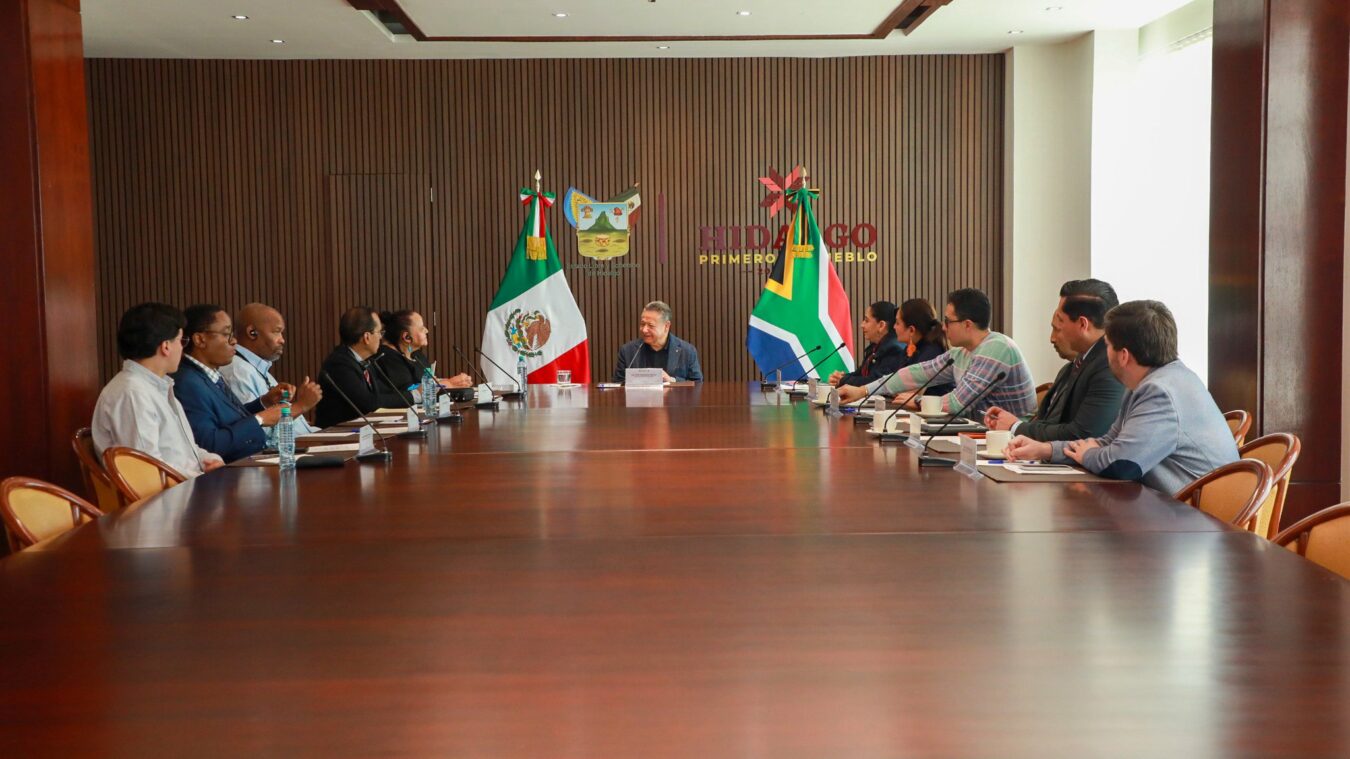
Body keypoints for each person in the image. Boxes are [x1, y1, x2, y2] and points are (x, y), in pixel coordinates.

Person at [1004, 300, 1239, 495]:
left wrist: (1089, 455)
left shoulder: (1161, 393)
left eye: (1107, 345)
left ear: (1123, 355)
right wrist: (1044, 450)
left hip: (1195, 525)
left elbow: (1122, 464)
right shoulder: (1152, 382)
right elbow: (1107, 443)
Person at [838, 288, 1036, 418]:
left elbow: (957, 403)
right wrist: (862, 391)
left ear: (967, 324)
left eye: (948, 320)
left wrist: (915, 401)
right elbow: (915, 373)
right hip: (982, 434)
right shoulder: (961, 352)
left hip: (1013, 441)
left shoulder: (996, 348)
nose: (943, 326)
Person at [91, 303, 224, 477]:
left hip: (184, 489)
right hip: (166, 500)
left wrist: (208, 460)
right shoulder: (132, 392)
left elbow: (186, 451)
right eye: (181, 340)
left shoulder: (157, 386)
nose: (182, 349)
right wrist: (200, 478)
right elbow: (147, 470)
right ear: (166, 346)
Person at [983, 279, 1124, 442]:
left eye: (1059, 326)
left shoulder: (1109, 367)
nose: (1051, 338)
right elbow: (1049, 422)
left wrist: (1015, 427)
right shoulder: (1074, 366)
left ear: (1082, 324)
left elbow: (1083, 434)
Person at [172, 304, 286, 463]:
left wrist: (263, 403)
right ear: (200, 339)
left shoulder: (207, 374)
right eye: (226, 334)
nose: (233, 341)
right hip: (229, 474)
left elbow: (227, 420)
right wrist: (260, 419)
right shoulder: (188, 383)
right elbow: (210, 444)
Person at [220, 302, 323, 437]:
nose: (282, 340)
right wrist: (301, 405)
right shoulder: (237, 372)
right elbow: (257, 432)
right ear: (252, 332)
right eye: (276, 332)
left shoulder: (256, 368)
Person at [372, 309, 473, 409]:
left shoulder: (416, 354)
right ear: (407, 337)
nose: (427, 330)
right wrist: (448, 383)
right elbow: (410, 389)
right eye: (421, 328)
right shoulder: (387, 358)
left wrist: (451, 382)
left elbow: (427, 383)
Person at [314, 307, 385, 428]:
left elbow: (379, 395)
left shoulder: (364, 360)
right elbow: (368, 403)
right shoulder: (339, 364)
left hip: (360, 434)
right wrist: (413, 396)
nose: (381, 338)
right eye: (379, 332)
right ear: (367, 337)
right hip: (337, 439)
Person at [612, 300, 703, 382]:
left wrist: (671, 380)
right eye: (642, 324)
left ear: (666, 326)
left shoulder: (687, 351)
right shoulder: (628, 351)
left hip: (674, 400)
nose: (644, 330)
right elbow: (618, 384)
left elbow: (697, 384)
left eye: (650, 325)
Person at [828, 301, 904, 387]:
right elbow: (860, 374)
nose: (862, 325)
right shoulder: (875, 347)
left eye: (866, 321)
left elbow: (876, 382)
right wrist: (841, 377)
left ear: (881, 325)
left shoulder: (894, 349)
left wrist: (843, 380)